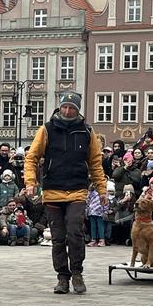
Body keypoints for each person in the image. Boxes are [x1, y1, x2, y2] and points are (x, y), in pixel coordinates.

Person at [24, 92, 107, 294]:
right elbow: (31, 157)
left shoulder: (87, 131)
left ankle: (77, 273)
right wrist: (30, 182)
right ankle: (62, 277)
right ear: (59, 108)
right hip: (53, 190)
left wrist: (102, 189)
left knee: (75, 232)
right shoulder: (47, 129)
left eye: (72, 108)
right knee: (58, 237)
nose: (67, 111)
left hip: (77, 190)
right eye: (64, 107)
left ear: (78, 110)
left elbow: (95, 163)